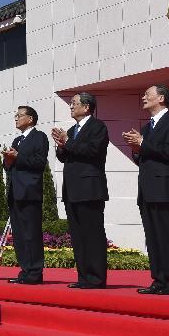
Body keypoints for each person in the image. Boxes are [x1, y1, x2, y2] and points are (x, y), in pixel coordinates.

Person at [123, 85, 169, 295]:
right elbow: (145, 157)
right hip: (148, 189)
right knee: (153, 238)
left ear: (160, 97)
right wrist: (136, 150)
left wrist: (143, 144)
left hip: (166, 188)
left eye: (147, 95)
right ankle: (159, 280)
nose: (143, 98)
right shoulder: (146, 127)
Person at [52, 92, 109, 289]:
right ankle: (83, 276)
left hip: (90, 188)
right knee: (78, 235)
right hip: (72, 189)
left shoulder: (98, 127)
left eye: (74, 103)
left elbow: (92, 151)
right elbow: (65, 156)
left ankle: (96, 278)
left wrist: (67, 142)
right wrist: (61, 146)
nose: (71, 106)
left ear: (86, 107)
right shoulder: (72, 130)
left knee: (93, 233)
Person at [3, 106, 49, 285]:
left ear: (30, 119)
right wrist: (7, 161)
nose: (16, 118)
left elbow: (39, 163)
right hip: (15, 191)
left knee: (31, 233)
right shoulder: (17, 140)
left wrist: (18, 156)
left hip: (30, 192)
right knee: (20, 235)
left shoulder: (40, 137)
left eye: (19, 115)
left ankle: (35, 272)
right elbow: (11, 165)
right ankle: (25, 270)